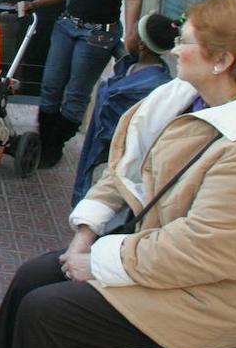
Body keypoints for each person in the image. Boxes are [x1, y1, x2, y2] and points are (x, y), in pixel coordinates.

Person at [0, 0, 236, 348]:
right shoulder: (180, 99)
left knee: (50, 312)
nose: (172, 51)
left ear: (222, 60)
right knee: (34, 276)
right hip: (166, 257)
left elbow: (206, 251)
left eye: (184, 42)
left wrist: (99, 262)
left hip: (228, 291)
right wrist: (86, 236)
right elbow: (123, 171)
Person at [18, 0, 149, 167]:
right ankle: (43, 140)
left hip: (98, 34)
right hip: (67, 26)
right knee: (51, 85)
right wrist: (36, 3)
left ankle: (54, 147)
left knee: (76, 93)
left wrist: (133, 31)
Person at [70, 12, 179, 205]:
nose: (127, 35)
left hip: (113, 162)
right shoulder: (128, 68)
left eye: (132, 31)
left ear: (141, 44)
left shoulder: (150, 87)